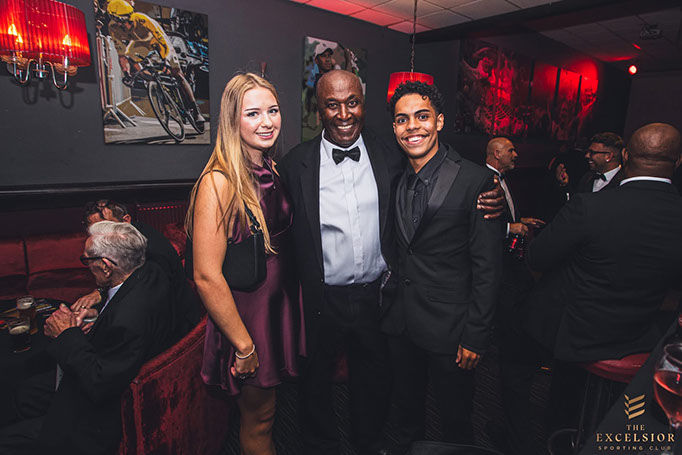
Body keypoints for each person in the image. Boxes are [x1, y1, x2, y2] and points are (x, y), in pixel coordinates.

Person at [278, 70, 504, 455]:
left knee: (376, 382)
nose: (344, 114)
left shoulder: (389, 155)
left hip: (378, 297)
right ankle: (320, 446)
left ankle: (368, 444)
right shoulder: (294, 165)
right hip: (320, 298)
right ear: (319, 110)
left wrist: (491, 192)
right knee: (314, 382)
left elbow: (441, 171)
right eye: (332, 105)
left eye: (352, 103)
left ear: (363, 106)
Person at [499, 123, 682, 455]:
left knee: (513, 355)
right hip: (637, 334)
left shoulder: (590, 206)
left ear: (625, 155)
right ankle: (571, 426)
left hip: (572, 330)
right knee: (569, 382)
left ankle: (519, 442)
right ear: (678, 160)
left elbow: (537, 258)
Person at [379, 81, 503, 454]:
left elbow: (488, 267)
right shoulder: (394, 176)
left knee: (455, 417)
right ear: (395, 127)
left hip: (452, 329)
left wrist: (476, 335)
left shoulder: (476, 180)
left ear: (440, 121)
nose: (412, 127)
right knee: (405, 410)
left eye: (422, 116)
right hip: (402, 322)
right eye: (402, 119)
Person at [186, 73, 304, 455]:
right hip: (248, 321)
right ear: (232, 119)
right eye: (253, 113)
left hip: (276, 310)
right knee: (260, 421)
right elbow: (206, 276)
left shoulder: (271, 169)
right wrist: (243, 344)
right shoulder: (219, 182)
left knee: (269, 414)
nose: (267, 122)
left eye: (273, 110)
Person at [0, 221, 176, 455]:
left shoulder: (127, 319)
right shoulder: (151, 272)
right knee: (24, 394)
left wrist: (65, 334)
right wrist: (97, 319)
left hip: (97, 418)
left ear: (105, 266)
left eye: (87, 260)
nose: (85, 265)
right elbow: (119, 313)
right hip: (103, 372)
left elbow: (99, 382)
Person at [76, 199, 200, 341]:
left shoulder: (151, 254)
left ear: (126, 221)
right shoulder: (131, 240)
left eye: (105, 228)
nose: (100, 237)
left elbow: (141, 312)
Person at [106, 0, 205, 125]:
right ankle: (156, 84)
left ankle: (196, 111)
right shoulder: (113, 27)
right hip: (139, 44)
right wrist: (127, 74)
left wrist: (166, 61)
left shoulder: (143, 19)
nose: (122, 24)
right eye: (118, 21)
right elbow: (122, 55)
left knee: (177, 73)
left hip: (157, 41)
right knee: (129, 56)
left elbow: (163, 42)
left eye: (124, 20)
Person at [556, 132, 624, 194]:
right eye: (588, 152)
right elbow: (578, 201)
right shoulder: (587, 177)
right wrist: (565, 185)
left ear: (608, 157)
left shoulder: (623, 182)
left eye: (592, 153)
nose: (587, 155)